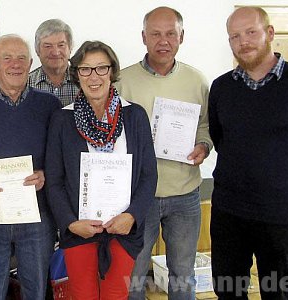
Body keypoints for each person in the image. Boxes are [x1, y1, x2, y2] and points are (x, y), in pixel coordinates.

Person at [45, 40, 157, 299]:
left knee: (116, 295)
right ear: (76, 74)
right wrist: (71, 223)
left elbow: (149, 175)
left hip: (123, 230)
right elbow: (55, 181)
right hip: (80, 230)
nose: (93, 77)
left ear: (112, 72)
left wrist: (131, 216)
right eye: (85, 69)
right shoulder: (62, 119)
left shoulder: (135, 116)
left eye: (101, 68)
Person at [115, 7, 212, 299]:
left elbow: (205, 126)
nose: (163, 40)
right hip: (138, 197)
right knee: (133, 274)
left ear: (182, 36)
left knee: (183, 275)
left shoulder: (197, 80)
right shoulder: (122, 81)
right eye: (156, 34)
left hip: (185, 194)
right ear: (144, 37)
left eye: (171, 33)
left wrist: (203, 146)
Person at [209, 6, 288, 298]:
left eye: (251, 32)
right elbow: (219, 137)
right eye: (235, 36)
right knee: (229, 291)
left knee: (277, 293)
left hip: (279, 215)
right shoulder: (221, 87)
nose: (243, 42)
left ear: (270, 33)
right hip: (228, 213)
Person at [0, 34, 60, 299]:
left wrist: (46, 174)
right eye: (7, 58)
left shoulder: (50, 106)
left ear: (30, 64)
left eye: (21, 59)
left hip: (36, 214)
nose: (15, 64)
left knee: (36, 290)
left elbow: (59, 156)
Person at [28, 19, 80, 107]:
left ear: (70, 48)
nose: (55, 52)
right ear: (37, 50)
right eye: (48, 46)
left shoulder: (84, 81)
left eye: (61, 45)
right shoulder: (25, 85)